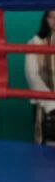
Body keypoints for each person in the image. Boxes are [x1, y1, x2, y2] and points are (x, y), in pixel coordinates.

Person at [24, 10, 55, 144]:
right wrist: (51, 105)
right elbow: (32, 75)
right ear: (46, 19)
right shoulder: (35, 43)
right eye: (51, 16)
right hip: (46, 105)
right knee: (48, 146)